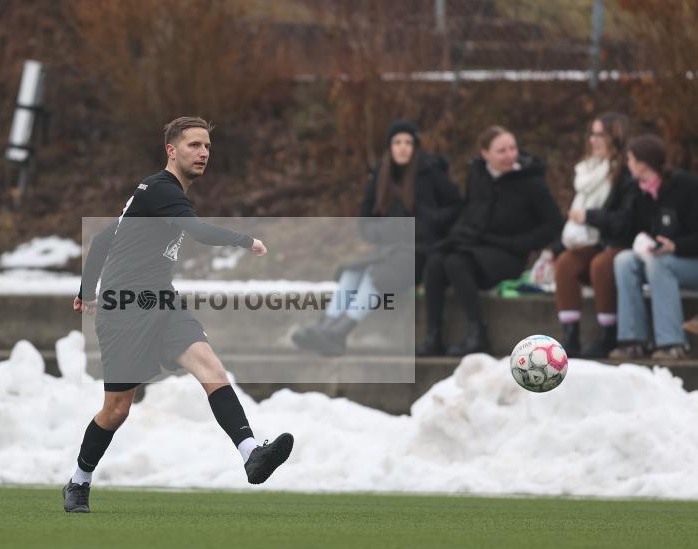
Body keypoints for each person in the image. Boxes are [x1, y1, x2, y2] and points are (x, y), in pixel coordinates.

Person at [66, 116, 294, 513]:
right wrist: (247, 241)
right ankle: (78, 482)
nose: (203, 152)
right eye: (193, 145)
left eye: (206, 146)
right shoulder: (162, 190)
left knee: (211, 368)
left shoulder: (153, 193)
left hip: (162, 303)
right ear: (172, 151)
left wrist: (85, 291)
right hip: (124, 311)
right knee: (117, 408)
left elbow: (104, 239)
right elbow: (200, 233)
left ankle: (250, 454)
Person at [291, 119, 462, 357]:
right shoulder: (382, 176)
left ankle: (340, 331)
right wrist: (382, 231)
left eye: (408, 142)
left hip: (420, 252)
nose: (402, 147)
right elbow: (365, 221)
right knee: (352, 272)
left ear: (415, 147)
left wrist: (429, 220)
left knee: (375, 276)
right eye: (397, 142)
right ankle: (326, 327)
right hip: (387, 250)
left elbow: (456, 207)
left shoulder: (431, 173)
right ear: (390, 147)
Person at [418, 125, 563, 356]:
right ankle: (433, 334)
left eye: (512, 148)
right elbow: (471, 210)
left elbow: (554, 225)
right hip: (474, 245)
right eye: (501, 151)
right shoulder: (478, 174)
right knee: (436, 260)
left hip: (508, 254)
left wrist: (521, 242)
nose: (509, 155)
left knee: (456, 262)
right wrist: (458, 234)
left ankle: (478, 333)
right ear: (485, 154)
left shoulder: (531, 183)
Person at [552, 112, 639, 358]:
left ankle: (607, 334)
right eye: (592, 134)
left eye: (600, 134)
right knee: (566, 262)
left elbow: (625, 222)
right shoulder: (588, 172)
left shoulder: (625, 173)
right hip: (595, 241)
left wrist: (590, 216)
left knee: (601, 264)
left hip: (621, 243)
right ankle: (570, 336)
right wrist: (554, 249)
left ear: (616, 136)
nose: (593, 140)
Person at [609, 134, 698, 360]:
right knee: (624, 261)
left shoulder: (685, 186)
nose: (627, 165)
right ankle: (633, 340)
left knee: (659, 263)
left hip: (690, 260)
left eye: (629, 160)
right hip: (663, 258)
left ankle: (671, 344)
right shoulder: (640, 193)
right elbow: (634, 230)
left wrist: (676, 246)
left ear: (642, 163)